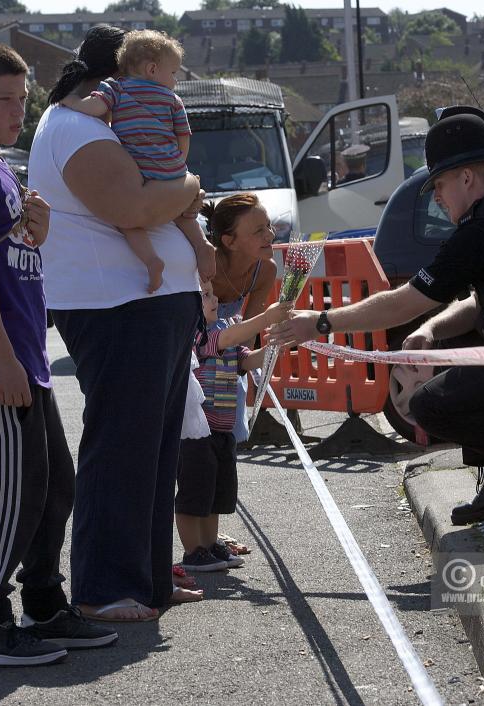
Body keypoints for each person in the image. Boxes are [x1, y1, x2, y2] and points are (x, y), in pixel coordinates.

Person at [268, 105, 484, 526]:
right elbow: (483, 301)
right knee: (455, 349)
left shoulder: (483, 232)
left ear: (467, 178)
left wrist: (322, 322)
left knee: (430, 405)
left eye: (438, 184)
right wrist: (431, 329)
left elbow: (404, 301)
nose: (437, 196)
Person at [28, 25, 207, 622]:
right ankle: (105, 587)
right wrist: (188, 184)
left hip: (150, 304)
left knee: (154, 451)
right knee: (123, 448)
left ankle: (149, 578)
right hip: (117, 305)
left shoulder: (100, 125)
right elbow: (132, 207)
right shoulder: (77, 128)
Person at [0, 42, 117, 666]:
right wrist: (2, 360)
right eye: (5, 100)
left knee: (52, 488)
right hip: (4, 364)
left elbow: (13, 259)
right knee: (13, 497)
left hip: (27, 357)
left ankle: (43, 602)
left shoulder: (4, 172)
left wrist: (33, 229)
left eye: (22, 97)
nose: (19, 111)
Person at [61, 29, 215, 293]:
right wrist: (179, 164)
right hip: (172, 167)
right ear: (153, 69)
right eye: (174, 73)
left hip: (140, 168)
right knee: (181, 212)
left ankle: (151, 260)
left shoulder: (116, 88)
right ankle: (202, 245)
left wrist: (71, 101)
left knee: (127, 221)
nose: (175, 80)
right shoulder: (173, 100)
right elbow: (183, 135)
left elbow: (95, 108)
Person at [175, 280, 291, 571]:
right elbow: (225, 341)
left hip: (223, 430)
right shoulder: (197, 337)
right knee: (194, 492)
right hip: (197, 432)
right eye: (205, 295)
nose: (214, 299)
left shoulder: (222, 332)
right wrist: (265, 319)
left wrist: (278, 344)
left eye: (212, 293)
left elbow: (248, 360)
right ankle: (193, 551)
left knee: (216, 493)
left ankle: (209, 544)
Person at [203, 193, 278, 553]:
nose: (270, 235)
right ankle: (197, 540)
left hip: (226, 357)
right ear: (228, 240)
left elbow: (248, 330)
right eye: (258, 230)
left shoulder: (266, 270)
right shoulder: (203, 264)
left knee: (223, 445)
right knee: (192, 452)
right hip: (194, 355)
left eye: (269, 226)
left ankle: (211, 535)